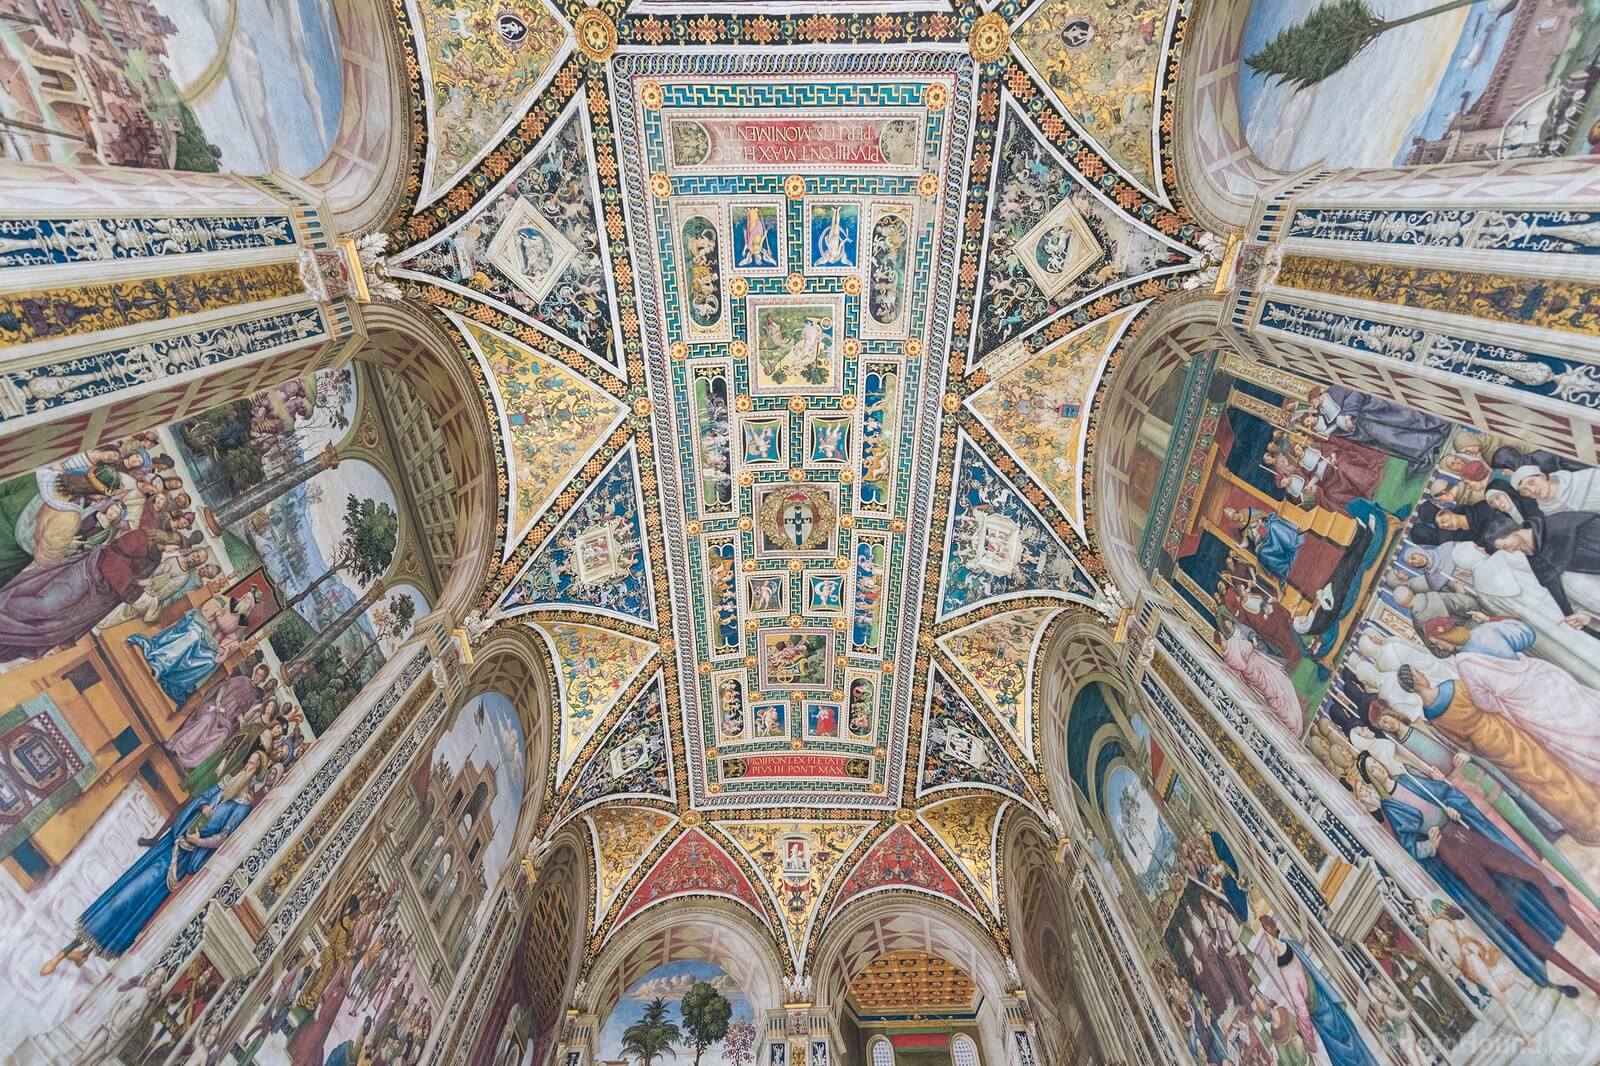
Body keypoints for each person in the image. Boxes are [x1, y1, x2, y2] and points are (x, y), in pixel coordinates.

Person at [1357, 754, 1600, 999]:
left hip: (1466, 836)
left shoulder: (1408, 779)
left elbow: (1446, 793)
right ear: (1371, 779)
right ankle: (1590, 982)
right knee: (1509, 915)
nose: (1379, 768)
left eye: (1377, 763)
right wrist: (1430, 844)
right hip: (1452, 855)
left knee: (1535, 876)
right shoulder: (1391, 807)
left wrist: (1452, 806)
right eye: (1373, 769)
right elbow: (1410, 846)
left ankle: (1596, 946)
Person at [1396, 662, 1600, 843]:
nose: (1422, 672)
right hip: (1504, 732)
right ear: (1415, 680)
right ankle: (1592, 815)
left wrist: (1477, 748)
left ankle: (1580, 825)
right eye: (1417, 672)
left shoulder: (1430, 714)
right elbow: (1487, 703)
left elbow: (1460, 741)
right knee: (1550, 769)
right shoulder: (1454, 687)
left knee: (1533, 784)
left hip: (1488, 748)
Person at [128, 588, 259, 705]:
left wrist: (224, 648)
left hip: (212, 643)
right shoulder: (226, 601)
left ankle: (175, 681)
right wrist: (217, 612)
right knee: (193, 637)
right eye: (245, 598)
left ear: (250, 608)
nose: (245, 601)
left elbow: (232, 640)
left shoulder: (242, 623)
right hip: (200, 625)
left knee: (209, 660)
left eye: (249, 602)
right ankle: (160, 664)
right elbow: (207, 608)